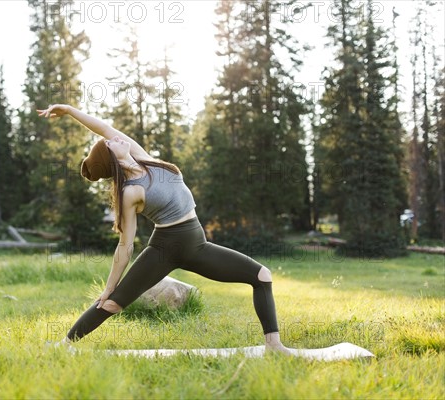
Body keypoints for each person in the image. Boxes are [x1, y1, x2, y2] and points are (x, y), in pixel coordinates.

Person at [37, 104, 292, 354]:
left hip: (196, 245)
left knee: (261, 276)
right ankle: (65, 345)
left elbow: (103, 127)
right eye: (111, 143)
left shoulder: (143, 157)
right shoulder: (131, 192)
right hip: (165, 249)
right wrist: (109, 286)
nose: (115, 138)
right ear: (112, 157)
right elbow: (125, 244)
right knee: (113, 302)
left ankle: (274, 346)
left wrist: (69, 110)